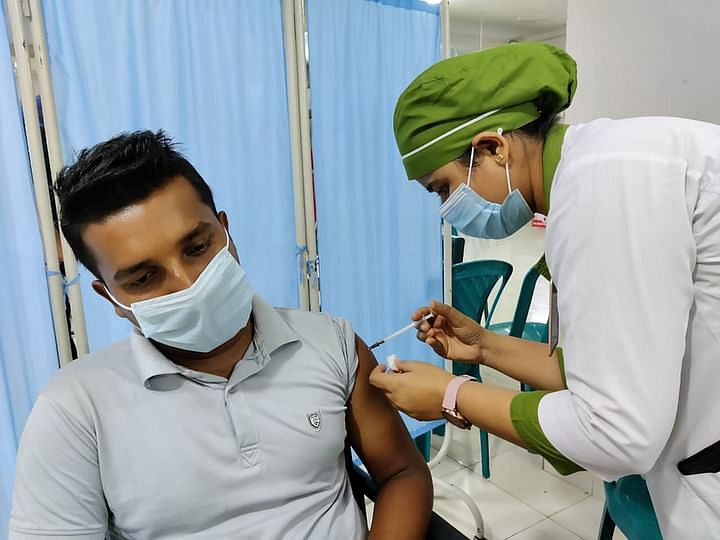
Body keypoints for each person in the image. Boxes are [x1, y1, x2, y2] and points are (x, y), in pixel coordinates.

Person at [370, 42, 720, 539]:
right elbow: (593, 370)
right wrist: (484, 346)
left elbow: (615, 432)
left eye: (444, 188)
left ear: (493, 148)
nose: (448, 208)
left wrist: (450, 394)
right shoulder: (598, 167)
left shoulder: (603, 190)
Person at [9, 131, 432, 540]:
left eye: (197, 248)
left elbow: (401, 473)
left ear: (226, 232)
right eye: (144, 277)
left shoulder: (331, 343)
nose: (188, 282)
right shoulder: (74, 413)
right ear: (111, 297)